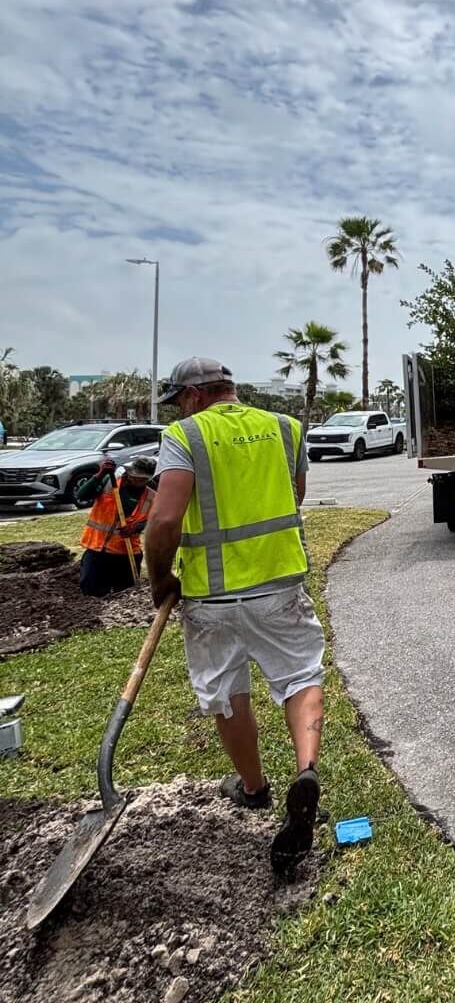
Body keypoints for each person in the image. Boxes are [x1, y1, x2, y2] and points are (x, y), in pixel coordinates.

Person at [143, 356, 324, 872]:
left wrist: (160, 581)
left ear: (196, 395)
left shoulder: (185, 434)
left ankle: (254, 788)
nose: (177, 408)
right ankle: (306, 769)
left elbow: (165, 520)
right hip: (280, 585)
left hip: (212, 596)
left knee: (226, 690)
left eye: (179, 398)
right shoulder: (286, 428)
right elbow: (296, 497)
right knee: (300, 677)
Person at [77, 455, 156, 597]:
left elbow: (155, 521)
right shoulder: (109, 482)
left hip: (126, 552)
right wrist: (100, 474)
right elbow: (81, 495)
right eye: (135, 477)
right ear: (129, 472)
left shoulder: (153, 495)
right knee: (90, 590)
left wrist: (137, 527)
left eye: (143, 479)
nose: (137, 481)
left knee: (125, 596)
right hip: (98, 549)